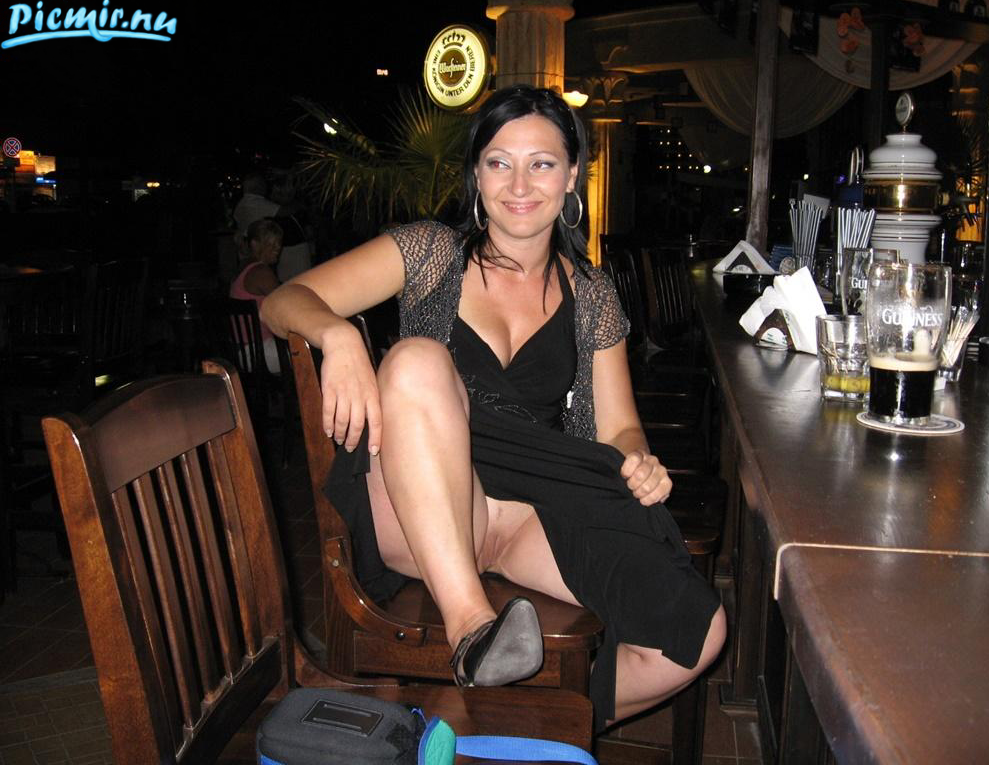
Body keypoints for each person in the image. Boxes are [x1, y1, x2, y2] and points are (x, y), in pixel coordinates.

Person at [261, 85, 725, 729]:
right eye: (499, 162)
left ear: (571, 177)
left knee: (695, 634)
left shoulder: (592, 293)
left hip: (529, 512)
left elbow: (619, 425)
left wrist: (637, 457)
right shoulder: (430, 253)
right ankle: (471, 629)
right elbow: (283, 300)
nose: (520, 184)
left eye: (542, 163)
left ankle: (516, 734)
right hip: (422, 504)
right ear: (476, 175)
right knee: (417, 359)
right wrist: (337, 336)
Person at [233, 171, 312, 282]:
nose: (266, 188)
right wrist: (299, 204)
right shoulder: (256, 203)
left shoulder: (241, 204)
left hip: (253, 253)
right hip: (263, 253)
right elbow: (285, 211)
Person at [230, 218, 284, 374]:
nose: (278, 248)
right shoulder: (261, 272)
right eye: (271, 243)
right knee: (313, 351)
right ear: (255, 244)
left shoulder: (243, 268)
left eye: (279, 243)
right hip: (258, 352)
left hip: (244, 352)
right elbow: (287, 304)